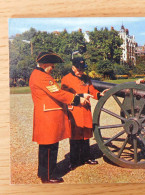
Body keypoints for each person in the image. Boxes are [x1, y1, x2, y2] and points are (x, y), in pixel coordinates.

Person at [29, 51, 88, 183]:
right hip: (49, 116)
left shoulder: (37, 74)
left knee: (45, 147)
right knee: (50, 147)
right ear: (44, 65)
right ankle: (48, 177)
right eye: (52, 65)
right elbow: (59, 94)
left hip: (46, 114)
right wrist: (77, 100)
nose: (53, 67)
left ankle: (43, 173)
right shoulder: (43, 77)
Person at [61, 57, 108, 170]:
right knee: (75, 135)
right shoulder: (66, 79)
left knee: (86, 134)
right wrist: (79, 96)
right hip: (74, 110)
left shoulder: (86, 78)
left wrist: (99, 94)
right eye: (79, 68)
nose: (81, 71)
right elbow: (63, 95)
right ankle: (74, 160)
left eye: (82, 68)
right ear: (73, 67)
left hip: (85, 109)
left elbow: (91, 90)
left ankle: (86, 157)